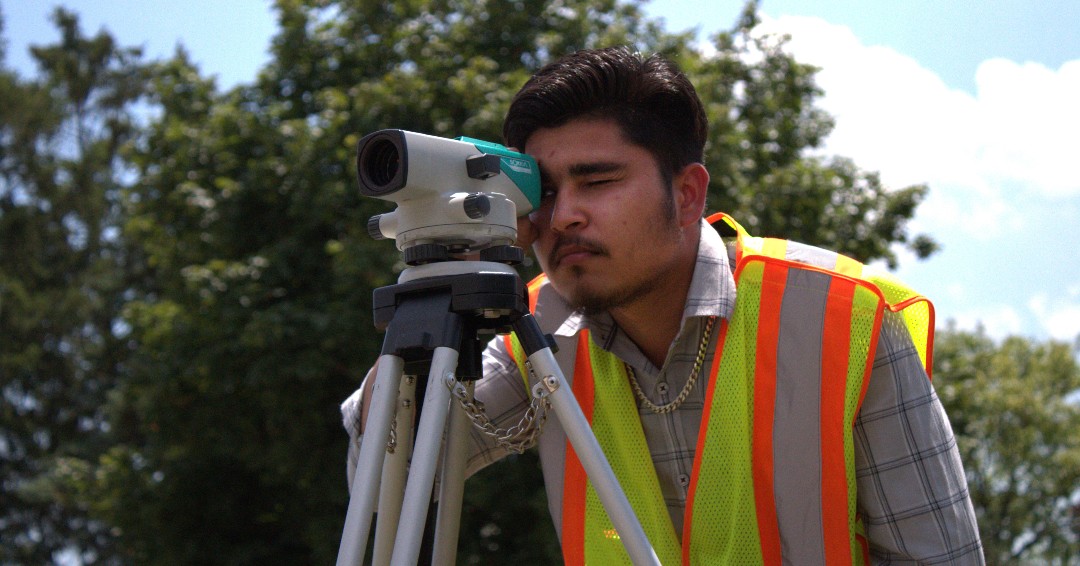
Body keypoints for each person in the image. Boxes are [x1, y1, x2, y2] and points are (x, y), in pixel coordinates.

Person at [342, 46, 984, 564]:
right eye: (546, 190)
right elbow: (388, 489)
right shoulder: (536, 331)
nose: (563, 215)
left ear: (685, 194)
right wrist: (446, 274)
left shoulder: (842, 318)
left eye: (597, 181)